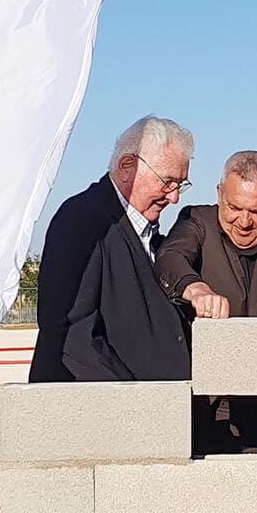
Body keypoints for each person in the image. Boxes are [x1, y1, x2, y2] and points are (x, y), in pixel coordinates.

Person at [154, 150, 257, 453]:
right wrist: (196, 289)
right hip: (200, 409)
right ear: (219, 194)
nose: (243, 222)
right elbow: (170, 257)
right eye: (233, 207)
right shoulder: (196, 222)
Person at [29, 116, 193, 383]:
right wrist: (133, 400)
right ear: (127, 166)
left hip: (159, 411)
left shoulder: (154, 237)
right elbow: (72, 333)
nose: (174, 197)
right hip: (103, 412)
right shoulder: (82, 221)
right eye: (167, 182)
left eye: (181, 185)